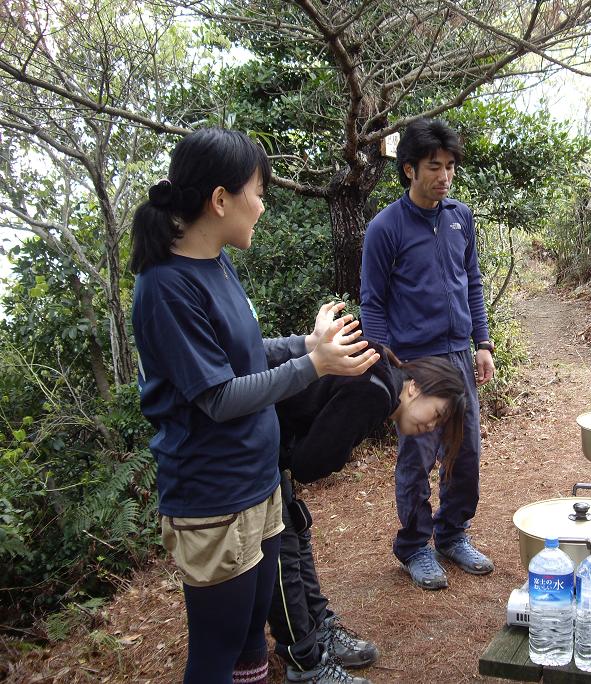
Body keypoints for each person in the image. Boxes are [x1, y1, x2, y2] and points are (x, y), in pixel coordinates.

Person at [129, 127, 379, 684]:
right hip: (215, 499)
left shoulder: (217, 262)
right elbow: (217, 397)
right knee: (216, 654)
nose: (263, 206)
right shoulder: (166, 287)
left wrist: (307, 346)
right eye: (258, 192)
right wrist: (314, 366)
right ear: (221, 199)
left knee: (249, 644)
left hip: (257, 483)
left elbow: (244, 352)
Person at [269, 343, 467, 683]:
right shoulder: (375, 392)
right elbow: (309, 464)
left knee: (296, 532)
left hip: (268, 434)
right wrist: (337, 450)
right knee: (283, 548)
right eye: (436, 414)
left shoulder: (380, 372)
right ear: (415, 388)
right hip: (253, 435)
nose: (430, 427)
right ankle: (305, 665)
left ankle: (319, 629)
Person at [360, 118, 496, 590]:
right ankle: (415, 545)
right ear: (409, 170)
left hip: (459, 354)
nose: (445, 176)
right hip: (414, 362)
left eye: (450, 166)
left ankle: (452, 534)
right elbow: (372, 302)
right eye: (434, 167)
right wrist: (387, 370)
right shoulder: (386, 228)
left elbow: (471, 282)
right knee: (417, 459)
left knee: (466, 453)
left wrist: (483, 343)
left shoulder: (460, 217)